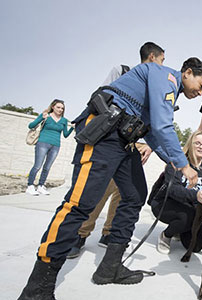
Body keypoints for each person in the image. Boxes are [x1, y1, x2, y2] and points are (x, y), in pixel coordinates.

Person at [12, 57, 202, 300]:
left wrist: (177, 164)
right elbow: (164, 127)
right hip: (104, 133)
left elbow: (153, 133)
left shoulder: (168, 92)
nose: (199, 92)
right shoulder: (164, 77)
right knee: (79, 204)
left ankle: (110, 267)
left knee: (134, 195)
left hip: (123, 139)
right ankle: (34, 292)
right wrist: (183, 164)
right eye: (201, 85)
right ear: (188, 72)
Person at [67, 42, 163, 258]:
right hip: (112, 140)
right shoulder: (122, 72)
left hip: (133, 142)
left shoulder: (153, 87)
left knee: (126, 191)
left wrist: (146, 144)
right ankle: (80, 234)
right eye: (162, 60)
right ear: (151, 57)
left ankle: (109, 232)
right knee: (100, 188)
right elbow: (101, 98)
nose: (163, 66)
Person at [152, 130, 202, 255]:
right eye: (197, 143)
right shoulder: (178, 162)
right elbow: (173, 190)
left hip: (190, 208)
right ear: (190, 144)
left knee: (196, 246)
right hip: (165, 203)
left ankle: (179, 229)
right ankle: (166, 235)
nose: (201, 146)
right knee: (188, 217)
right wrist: (195, 195)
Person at [26, 99, 74, 196]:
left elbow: (65, 134)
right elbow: (31, 126)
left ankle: (40, 186)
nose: (60, 110)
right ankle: (30, 186)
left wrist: (72, 128)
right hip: (42, 143)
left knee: (47, 167)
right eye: (58, 107)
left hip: (56, 145)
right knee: (37, 166)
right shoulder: (46, 116)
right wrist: (41, 118)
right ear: (53, 107)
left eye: (62, 108)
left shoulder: (64, 120)